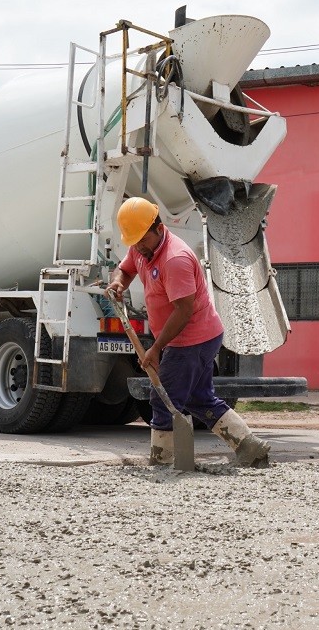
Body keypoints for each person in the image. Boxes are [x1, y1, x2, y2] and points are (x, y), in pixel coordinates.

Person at [107, 197, 270, 467]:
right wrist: (117, 283)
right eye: (134, 242)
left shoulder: (175, 259)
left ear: (158, 229)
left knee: (162, 399)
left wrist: (156, 348)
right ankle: (250, 446)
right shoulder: (142, 247)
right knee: (199, 398)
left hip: (193, 338)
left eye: (142, 241)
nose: (138, 248)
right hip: (191, 337)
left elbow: (183, 311)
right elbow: (125, 270)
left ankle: (163, 461)